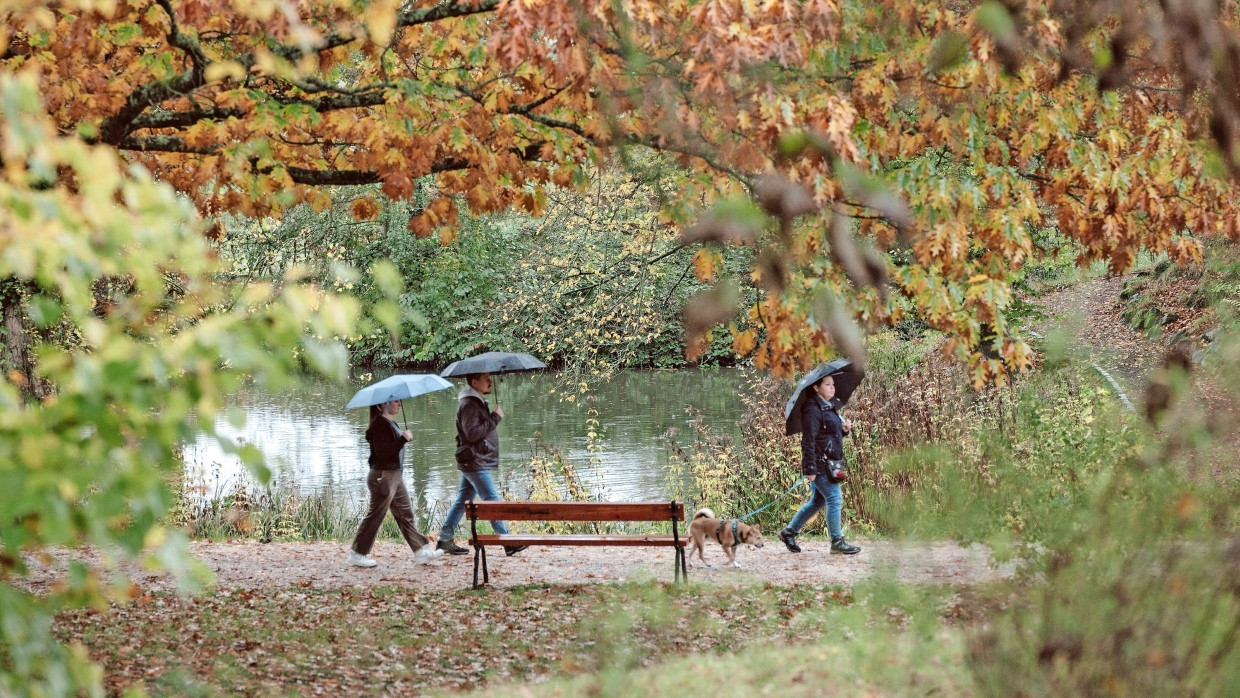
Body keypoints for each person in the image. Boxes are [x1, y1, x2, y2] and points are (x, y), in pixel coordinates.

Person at [435, 372, 527, 557]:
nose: (490, 381)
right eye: (486, 379)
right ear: (474, 382)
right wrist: (495, 417)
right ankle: (508, 541)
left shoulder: (475, 402)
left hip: (475, 459)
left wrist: (491, 416)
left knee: (463, 501)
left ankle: (444, 539)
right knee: (491, 500)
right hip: (475, 461)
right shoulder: (469, 404)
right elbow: (472, 434)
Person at [347, 400, 445, 567]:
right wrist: (403, 439)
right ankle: (357, 554)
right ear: (384, 404)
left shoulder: (390, 423)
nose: (400, 404)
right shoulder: (380, 425)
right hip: (383, 476)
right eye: (396, 401)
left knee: (405, 513)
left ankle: (420, 552)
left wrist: (402, 439)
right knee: (375, 515)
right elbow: (383, 454)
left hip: (395, 475)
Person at [778, 374, 861, 555]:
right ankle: (837, 541)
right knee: (834, 499)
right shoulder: (812, 409)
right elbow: (808, 440)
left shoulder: (829, 406)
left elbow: (828, 434)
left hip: (831, 463)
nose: (832, 388)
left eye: (833, 384)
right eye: (828, 384)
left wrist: (844, 430)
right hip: (821, 464)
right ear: (816, 388)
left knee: (817, 501)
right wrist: (810, 468)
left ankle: (789, 532)